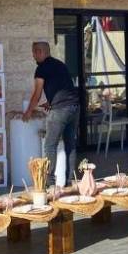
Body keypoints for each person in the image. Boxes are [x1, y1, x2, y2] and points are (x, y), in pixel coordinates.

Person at [23, 41, 78, 186]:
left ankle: (49, 183)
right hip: (74, 107)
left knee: (49, 146)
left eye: (34, 52)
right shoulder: (60, 65)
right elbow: (64, 87)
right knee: (70, 144)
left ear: (40, 52)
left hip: (60, 110)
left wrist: (28, 112)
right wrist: (50, 102)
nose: (33, 55)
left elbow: (37, 93)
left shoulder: (41, 68)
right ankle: (70, 181)